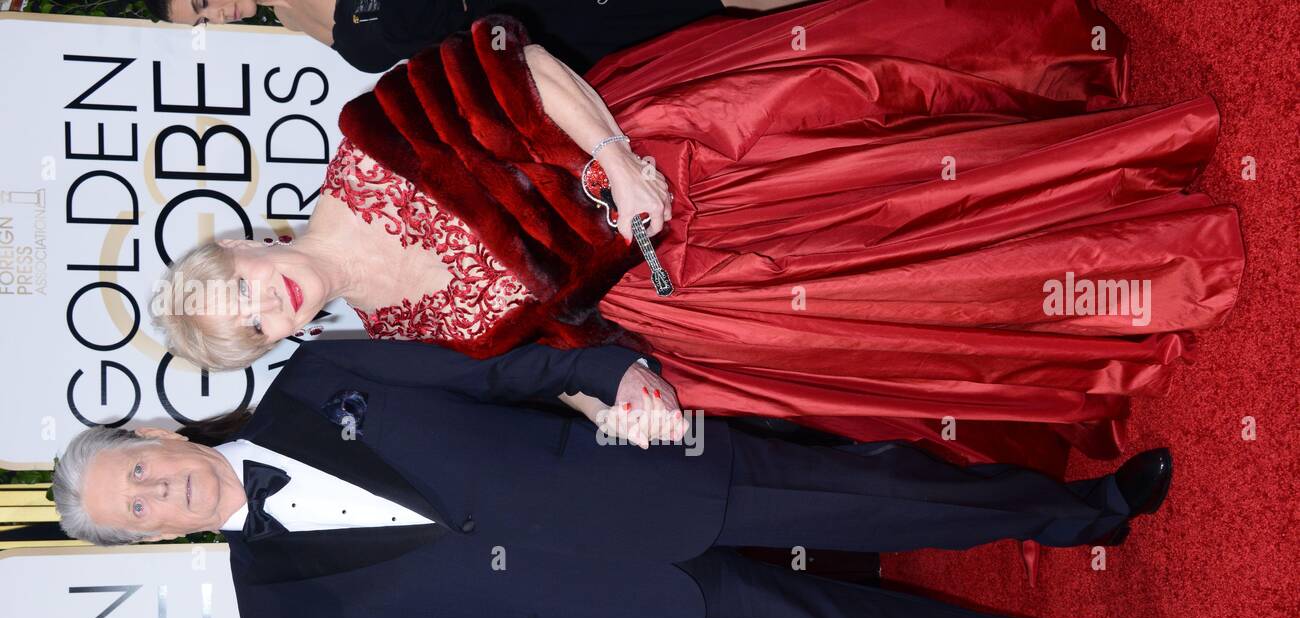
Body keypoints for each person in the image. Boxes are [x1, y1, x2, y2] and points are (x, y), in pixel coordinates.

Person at [152, 0, 1244, 473]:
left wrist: (622, 166)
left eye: (232, 288)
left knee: (888, 131)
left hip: (665, 147)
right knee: (910, 292)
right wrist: (610, 400)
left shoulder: (366, 144)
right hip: (678, 295)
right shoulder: (399, 330)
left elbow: (506, 55)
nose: (261, 305)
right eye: (244, 331)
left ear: (240, 247)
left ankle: (1083, 125)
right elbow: (549, 348)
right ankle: (1123, 256)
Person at [52, 338, 1213, 618]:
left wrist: (609, 376)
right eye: (140, 509)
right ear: (160, 535)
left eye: (140, 468)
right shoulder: (276, 607)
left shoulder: (315, 381)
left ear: (159, 434)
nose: (159, 489)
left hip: (649, 472)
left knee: (892, 493)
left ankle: (1079, 508)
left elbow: (493, 372)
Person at [150, 0, 795, 74]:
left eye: (201, 2)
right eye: (201, 20)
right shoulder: (291, 23)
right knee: (708, 27)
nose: (216, 16)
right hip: (539, 45)